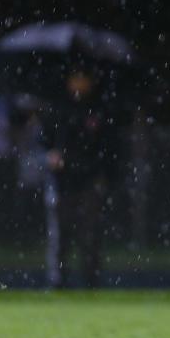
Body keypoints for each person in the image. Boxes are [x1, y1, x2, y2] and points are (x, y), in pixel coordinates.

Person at [43, 68, 126, 288]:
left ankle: (91, 279)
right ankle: (57, 281)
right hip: (61, 181)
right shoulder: (56, 108)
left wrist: (105, 176)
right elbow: (41, 142)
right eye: (75, 77)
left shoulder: (100, 110)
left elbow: (110, 148)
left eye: (83, 78)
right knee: (60, 235)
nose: (79, 83)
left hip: (89, 179)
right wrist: (50, 156)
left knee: (90, 234)